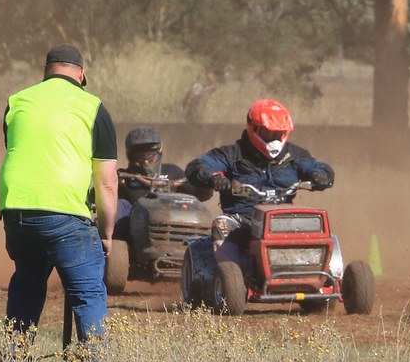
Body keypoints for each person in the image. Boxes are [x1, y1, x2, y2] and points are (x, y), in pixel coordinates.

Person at [0, 43, 118, 360]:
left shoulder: (17, 101)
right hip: (64, 214)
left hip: (16, 210)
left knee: (27, 283)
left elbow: (23, 151)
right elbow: (106, 183)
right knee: (87, 290)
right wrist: (106, 234)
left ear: (46, 70)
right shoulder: (92, 107)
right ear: (82, 73)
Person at [185, 99, 334, 264]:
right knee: (222, 224)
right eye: (268, 134)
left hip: (283, 220)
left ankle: (318, 271)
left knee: (318, 227)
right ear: (253, 129)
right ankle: (233, 274)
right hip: (242, 221)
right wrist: (215, 179)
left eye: (278, 134)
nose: (274, 140)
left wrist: (320, 176)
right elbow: (198, 166)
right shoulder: (232, 154)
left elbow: (318, 167)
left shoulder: (295, 156)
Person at [115, 126, 211, 240]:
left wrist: (206, 181)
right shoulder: (123, 177)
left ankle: (194, 245)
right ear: (131, 156)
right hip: (136, 231)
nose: (145, 161)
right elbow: (100, 193)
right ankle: (117, 242)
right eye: (140, 157)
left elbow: (199, 194)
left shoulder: (172, 171)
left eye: (149, 156)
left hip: (171, 225)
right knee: (120, 204)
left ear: (158, 152)